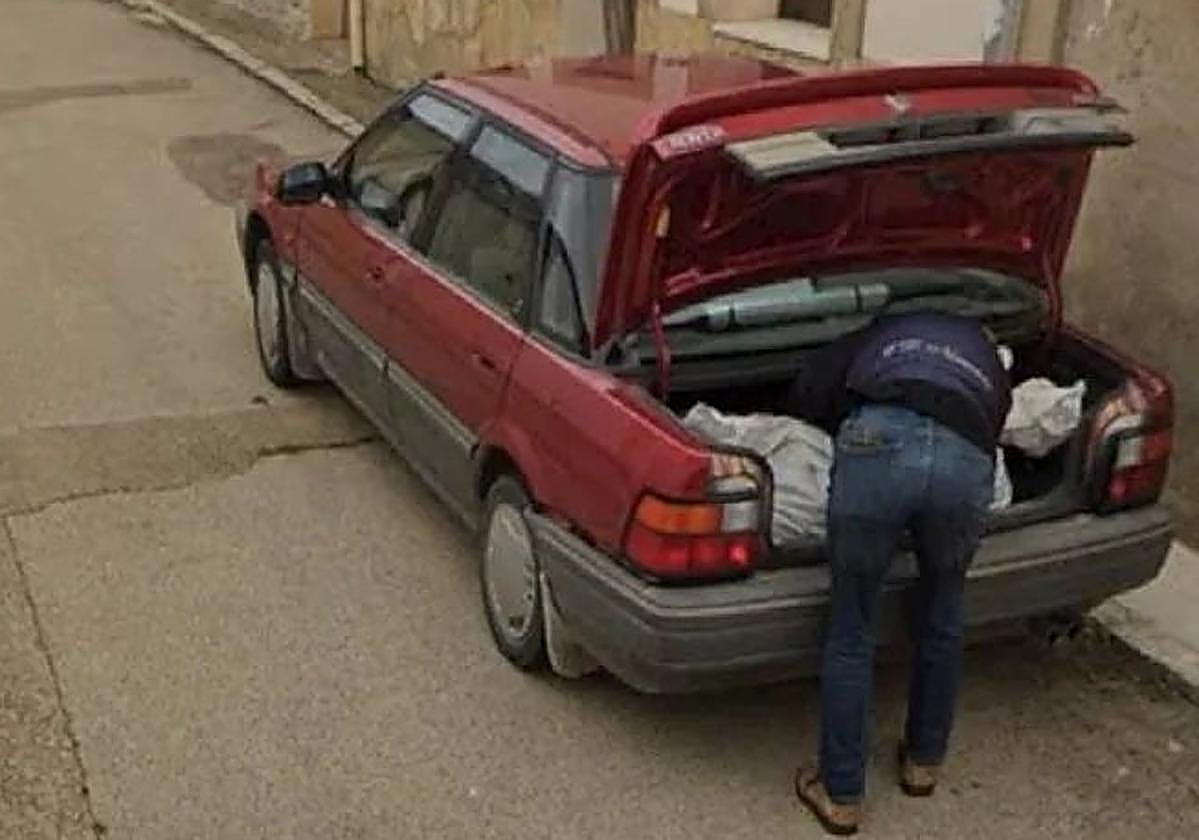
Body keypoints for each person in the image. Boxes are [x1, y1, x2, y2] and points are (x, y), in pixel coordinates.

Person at [785, 311, 1012, 836]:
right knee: (945, 609)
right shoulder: (983, 352)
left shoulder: (878, 333)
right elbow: (995, 420)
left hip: (877, 440)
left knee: (852, 624)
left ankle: (841, 793)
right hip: (964, 455)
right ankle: (923, 764)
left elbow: (814, 388)